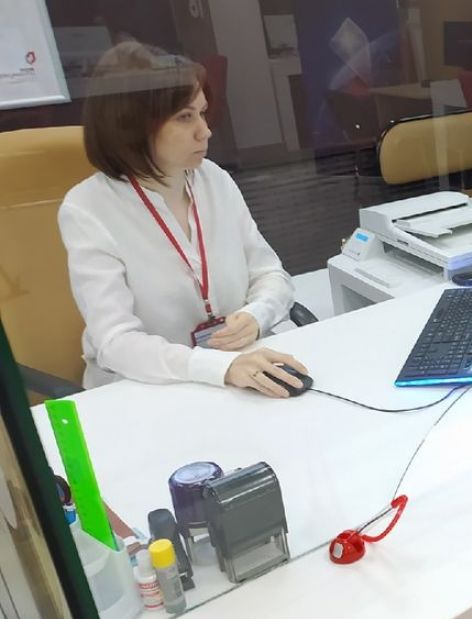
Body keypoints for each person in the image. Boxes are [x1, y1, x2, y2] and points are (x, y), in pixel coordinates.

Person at [59, 42, 307, 398]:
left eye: (203, 113)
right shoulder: (88, 209)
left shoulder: (214, 180)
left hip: (240, 372)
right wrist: (217, 368)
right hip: (147, 392)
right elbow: (116, 343)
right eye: (185, 117)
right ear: (132, 126)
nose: (205, 131)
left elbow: (271, 275)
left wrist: (257, 315)